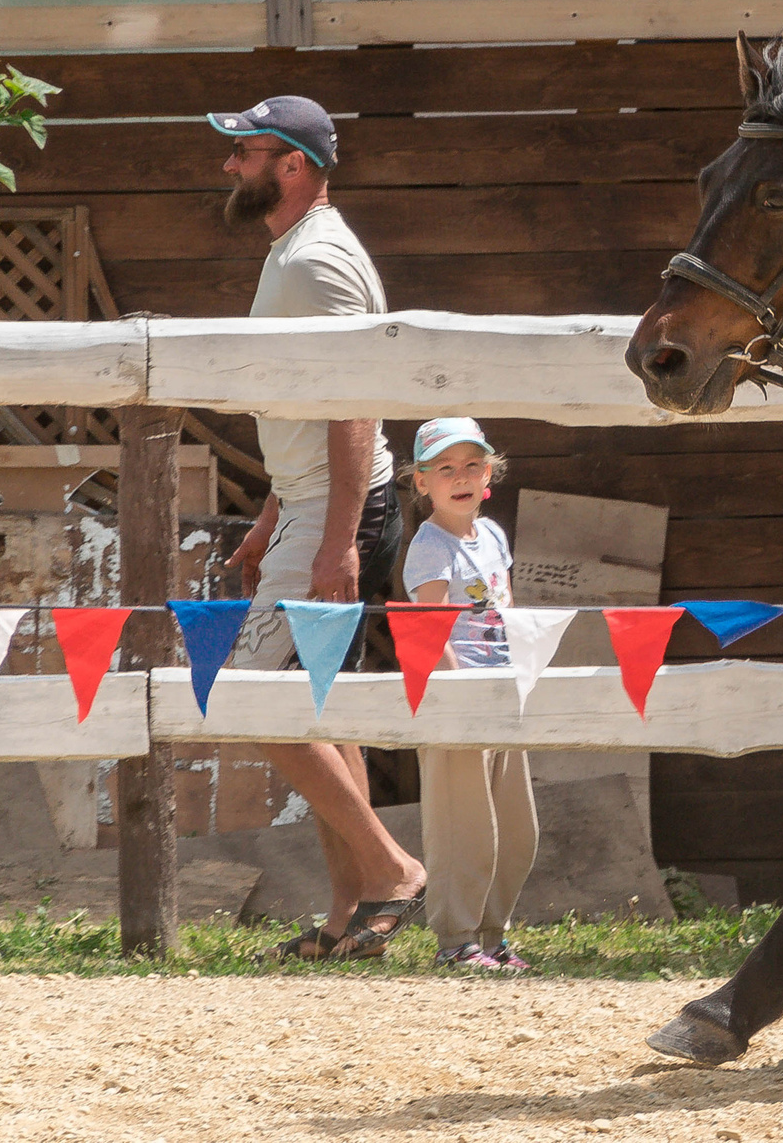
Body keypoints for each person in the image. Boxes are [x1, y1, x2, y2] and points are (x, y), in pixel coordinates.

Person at [211, 95, 428, 960]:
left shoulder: (316, 261)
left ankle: (393, 868)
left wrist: (334, 537)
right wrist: (272, 515)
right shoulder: (295, 250)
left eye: (245, 152)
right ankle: (347, 914)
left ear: (292, 164)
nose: (230, 166)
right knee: (320, 708)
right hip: (313, 505)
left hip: (337, 510)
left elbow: (353, 405)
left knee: (249, 700)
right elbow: (302, 409)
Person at [402, 417, 538, 973]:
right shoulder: (430, 546)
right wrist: (459, 697)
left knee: (516, 827)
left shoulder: (494, 537)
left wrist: (521, 673)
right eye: (445, 468)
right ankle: (456, 940)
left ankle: (492, 934)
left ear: (488, 476)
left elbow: (507, 609)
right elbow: (429, 629)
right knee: (464, 828)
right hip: (457, 702)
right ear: (421, 482)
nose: (460, 477)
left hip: (504, 695)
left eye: (472, 465)